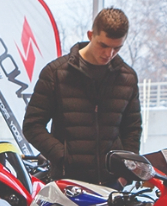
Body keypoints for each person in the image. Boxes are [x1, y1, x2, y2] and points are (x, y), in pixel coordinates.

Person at [23, 7, 141, 187]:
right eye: (103, 45)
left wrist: (125, 175)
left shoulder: (127, 78)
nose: (109, 54)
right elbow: (32, 125)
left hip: (112, 184)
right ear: (90, 34)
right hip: (67, 182)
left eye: (117, 48)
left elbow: (132, 130)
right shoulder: (56, 73)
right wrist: (63, 156)